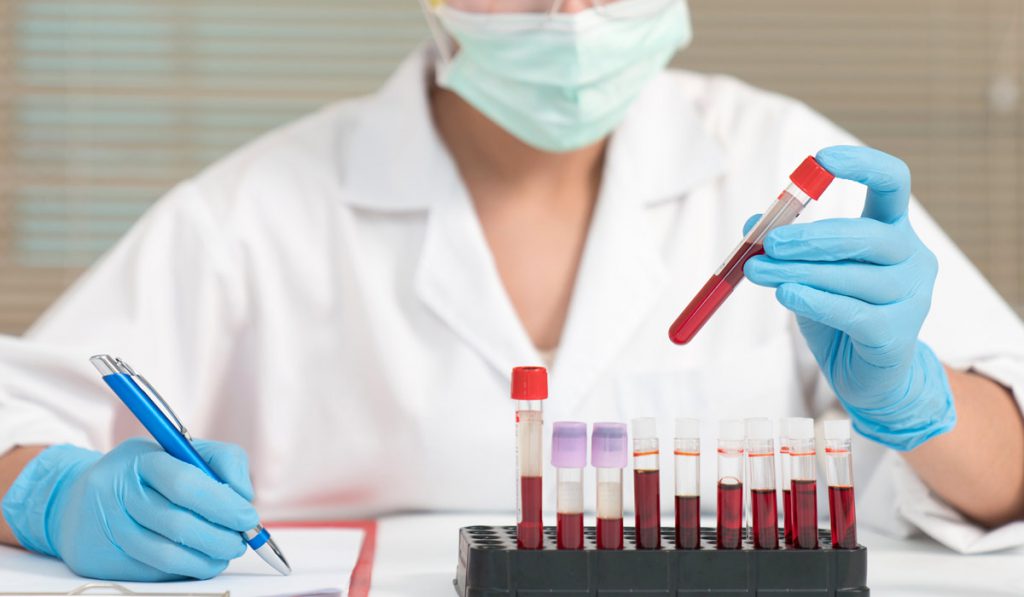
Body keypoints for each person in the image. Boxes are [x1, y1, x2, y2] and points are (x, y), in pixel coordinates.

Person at [1, 0, 1022, 582]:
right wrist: (53, 497)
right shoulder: (255, 207)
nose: (572, 13)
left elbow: (1008, 474)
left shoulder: (775, 154)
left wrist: (917, 397)